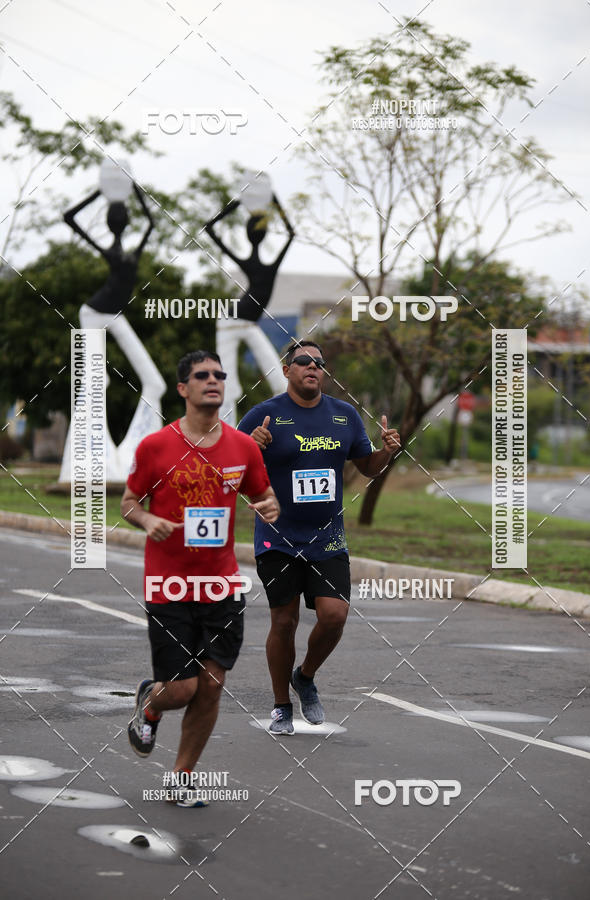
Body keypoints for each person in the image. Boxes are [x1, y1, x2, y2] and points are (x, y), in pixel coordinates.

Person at [122, 349, 279, 806]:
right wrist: (148, 521)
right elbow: (130, 502)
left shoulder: (243, 446)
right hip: (168, 583)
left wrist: (270, 507)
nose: (214, 380)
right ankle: (151, 703)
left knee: (211, 685)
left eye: (219, 375)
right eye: (202, 375)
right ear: (183, 389)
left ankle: (182, 777)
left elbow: (263, 494)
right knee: (182, 688)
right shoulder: (156, 447)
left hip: (222, 584)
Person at [238, 340, 401, 734]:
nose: (313, 367)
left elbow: (367, 468)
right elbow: (229, 471)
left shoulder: (344, 416)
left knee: (334, 616)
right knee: (284, 621)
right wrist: (251, 450)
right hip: (277, 538)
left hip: (327, 538)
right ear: (287, 368)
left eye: (319, 363)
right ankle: (280, 707)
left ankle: (305, 676)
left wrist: (387, 452)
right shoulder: (264, 416)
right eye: (304, 361)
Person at [60, 183, 166, 482]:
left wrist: (130, 189)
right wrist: (102, 192)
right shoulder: (111, 252)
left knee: (155, 383)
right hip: (93, 313)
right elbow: (70, 217)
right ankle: (84, 463)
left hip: (114, 315)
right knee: (95, 382)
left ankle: (137, 459)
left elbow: (153, 222)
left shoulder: (130, 249)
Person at [204, 195, 295, 424]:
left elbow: (292, 235)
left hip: (248, 323)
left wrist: (271, 199)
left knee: (281, 384)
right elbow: (209, 229)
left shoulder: (261, 264)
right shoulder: (261, 264)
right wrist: (253, 201)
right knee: (228, 386)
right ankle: (228, 439)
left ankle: (274, 433)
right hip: (229, 322)